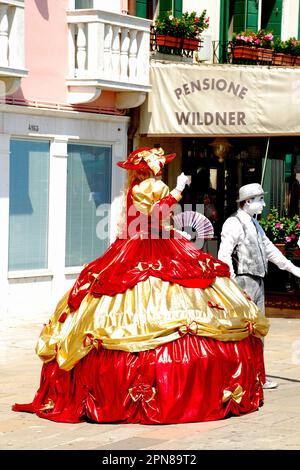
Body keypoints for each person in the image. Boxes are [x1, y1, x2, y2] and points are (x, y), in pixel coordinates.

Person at [13, 149, 269, 424]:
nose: (160, 171)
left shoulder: (134, 187)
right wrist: (178, 190)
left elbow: (149, 219)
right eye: (158, 167)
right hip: (153, 246)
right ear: (152, 169)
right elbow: (160, 211)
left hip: (140, 243)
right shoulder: (152, 187)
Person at [218, 183, 300, 390]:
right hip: (243, 282)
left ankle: (257, 376)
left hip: (258, 282)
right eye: (260, 200)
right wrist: (231, 283)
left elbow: (270, 251)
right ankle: (239, 376)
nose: (263, 204)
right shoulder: (233, 223)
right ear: (248, 202)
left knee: (258, 331)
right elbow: (224, 254)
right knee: (242, 331)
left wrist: (294, 269)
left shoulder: (256, 225)